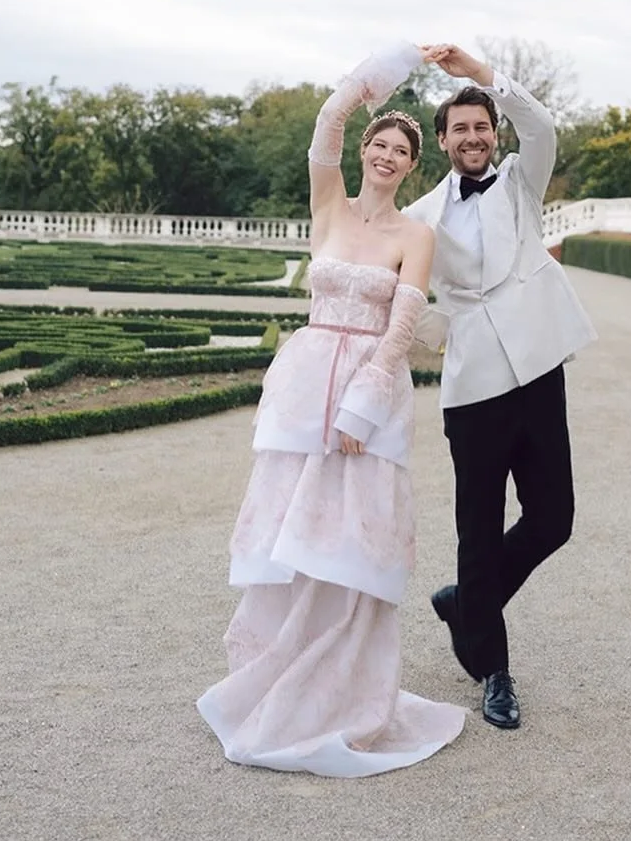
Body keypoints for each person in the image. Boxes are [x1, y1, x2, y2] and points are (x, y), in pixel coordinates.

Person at [197, 42, 465, 777]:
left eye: (399, 149)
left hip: (365, 395)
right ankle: (273, 671)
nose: (384, 155)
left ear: (414, 165)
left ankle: (342, 685)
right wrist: (391, 66)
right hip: (301, 382)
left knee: (350, 539)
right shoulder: (329, 206)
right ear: (364, 151)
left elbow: (402, 331)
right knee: (289, 529)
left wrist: (362, 409)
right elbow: (326, 120)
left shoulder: (417, 235)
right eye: (377, 143)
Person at [404, 43, 597, 731]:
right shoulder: (423, 215)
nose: (474, 138)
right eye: (461, 129)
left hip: (539, 371)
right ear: (444, 142)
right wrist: (427, 328)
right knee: (477, 533)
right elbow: (408, 294)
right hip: (473, 389)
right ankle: (494, 671)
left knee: (555, 518)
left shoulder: (521, 180)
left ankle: (468, 602)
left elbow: (541, 125)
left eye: (482, 126)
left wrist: (482, 76)